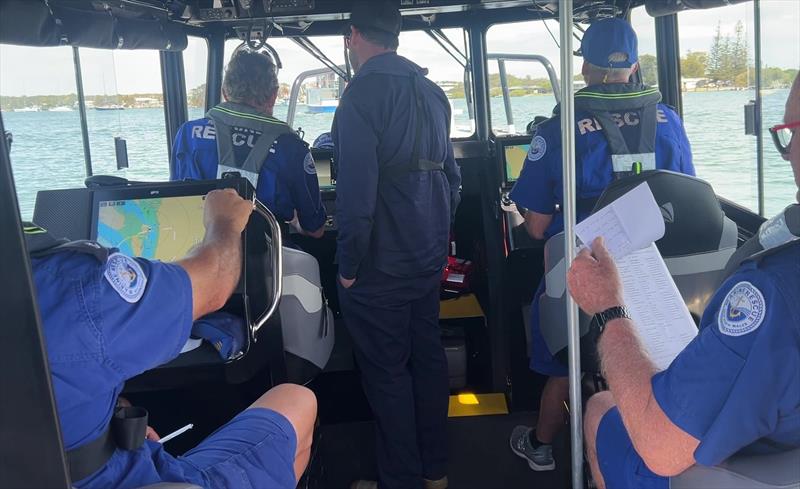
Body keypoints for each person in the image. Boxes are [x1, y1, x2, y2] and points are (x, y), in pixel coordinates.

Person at [571, 73, 800, 489]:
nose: (787, 155)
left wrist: (608, 308)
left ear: (588, 68)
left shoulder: (773, 292)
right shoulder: (670, 121)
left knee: (602, 406)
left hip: (743, 470)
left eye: (790, 134)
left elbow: (660, 449)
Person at [27, 189, 317, 489]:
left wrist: (109, 422)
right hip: (129, 480)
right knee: (298, 400)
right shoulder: (72, 287)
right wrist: (224, 222)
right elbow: (215, 282)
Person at [508, 17, 696, 472]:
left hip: (589, 271)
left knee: (564, 355)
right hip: (661, 279)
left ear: (587, 67)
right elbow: (684, 196)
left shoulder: (558, 129)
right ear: (632, 66)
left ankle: (540, 445)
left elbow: (536, 229)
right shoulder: (670, 121)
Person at [332, 1, 461, 488]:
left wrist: (348, 266)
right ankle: (435, 472)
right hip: (427, 259)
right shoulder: (432, 92)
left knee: (387, 373)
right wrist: (435, 239)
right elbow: (454, 179)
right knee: (426, 360)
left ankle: (401, 480)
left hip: (379, 270)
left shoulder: (360, 97)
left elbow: (356, 200)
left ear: (353, 36)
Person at [171, 48, 326, 238]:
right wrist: (294, 221)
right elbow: (315, 229)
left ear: (225, 92)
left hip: (199, 253)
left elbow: (175, 204)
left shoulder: (188, 135)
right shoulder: (292, 147)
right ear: (273, 95)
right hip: (269, 260)